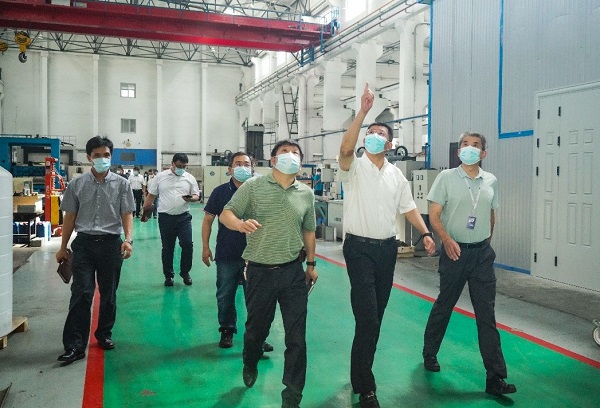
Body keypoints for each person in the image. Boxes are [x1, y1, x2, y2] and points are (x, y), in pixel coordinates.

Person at [338, 83, 436, 408]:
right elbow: (345, 148)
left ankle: (358, 371)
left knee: (374, 318)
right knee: (368, 318)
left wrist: (425, 233)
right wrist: (363, 111)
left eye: (380, 134)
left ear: (390, 144)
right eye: (370, 133)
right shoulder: (355, 168)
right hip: (358, 249)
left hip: (386, 251)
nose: (374, 136)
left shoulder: (396, 176)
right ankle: (367, 386)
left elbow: (408, 208)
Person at [220, 140, 318, 408]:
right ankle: (250, 360)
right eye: (285, 152)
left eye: (296, 153)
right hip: (260, 272)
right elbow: (226, 214)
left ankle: (292, 396)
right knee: (256, 331)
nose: (291, 156)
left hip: (293, 272)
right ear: (273, 160)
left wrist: (311, 264)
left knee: (296, 338)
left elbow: (309, 230)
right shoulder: (253, 186)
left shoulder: (306, 193)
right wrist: (239, 224)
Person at [422, 132, 517, 396]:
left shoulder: (491, 181)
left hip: (482, 255)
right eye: (465, 145)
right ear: (458, 151)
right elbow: (434, 214)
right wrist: (446, 239)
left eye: (476, 146)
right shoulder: (446, 178)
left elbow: (491, 215)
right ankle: (430, 352)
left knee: (486, 314)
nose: (470, 149)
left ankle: (495, 377)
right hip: (454, 252)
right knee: (445, 304)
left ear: (483, 153)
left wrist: (485, 243)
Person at [56, 136, 135, 365]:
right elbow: (69, 217)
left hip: (111, 244)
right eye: (97, 155)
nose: (102, 159)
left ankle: (104, 334)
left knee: (109, 294)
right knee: (81, 293)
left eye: (106, 155)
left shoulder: (122, 184)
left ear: (111, 156)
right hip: (84, 245)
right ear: (89, 157)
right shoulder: (77, 184)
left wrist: (128, 240)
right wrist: (63, 247)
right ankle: (75, 345)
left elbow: (127, 213)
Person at [201, 152, 273, 353]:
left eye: (247, 164)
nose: (243, 167)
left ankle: (258, 335)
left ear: (252, 168)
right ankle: (227, 329)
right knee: (225, 294)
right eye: (238, 164)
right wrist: (205, 247)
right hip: (228, 253)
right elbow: (208, 220)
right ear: (230, 169)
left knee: (257, 297)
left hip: (256, 254)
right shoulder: (220, 192)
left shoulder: (261, 190)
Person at [141, 153, 200, 286]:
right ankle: (169, 276)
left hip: (183, 217)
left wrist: (191, 198)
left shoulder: (189, 178)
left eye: (184, 166)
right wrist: (145, 213)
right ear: (172, 164)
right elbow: (151, 196)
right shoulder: (160, 177)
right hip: (165, 218)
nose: (181, 169)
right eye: (179, 166)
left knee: (187, 244)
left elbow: (196, 195)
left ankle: (185, 272)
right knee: (168, 248)